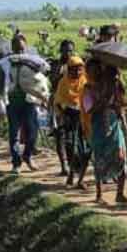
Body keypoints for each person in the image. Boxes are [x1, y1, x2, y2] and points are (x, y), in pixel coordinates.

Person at [83, 62, 127, 204]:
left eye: (96, 70)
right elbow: (89, 109)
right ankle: (99, 195)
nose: (94, 74)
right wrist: (102, 102)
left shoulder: (113, 87)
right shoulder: (89, 89)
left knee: (121, 156)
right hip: (98, 126)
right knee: (99, 158)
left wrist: (122, 117)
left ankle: (120, 194)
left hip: (114, 124)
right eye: (91, 71)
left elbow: (122, 104)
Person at [0, 34, 43, 174]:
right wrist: (1, 103)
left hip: (29, 100)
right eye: (17, 49)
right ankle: (16, 163)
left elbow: (40, 79)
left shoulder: (32, 62)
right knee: (14, 133)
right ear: (12, 48)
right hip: (13, 100)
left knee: (33, 132)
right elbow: (0, 85)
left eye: (22, 49)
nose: (20, 52)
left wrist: (41, 96)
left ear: (26, 48)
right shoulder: (4, 63)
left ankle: (27, 155)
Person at [54, 55, 90, 189]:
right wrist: (62, 116)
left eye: (79, 69)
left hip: (84, 118)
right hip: (70, 117)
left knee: (84, 149)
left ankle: (79, 178)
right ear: (68, 69)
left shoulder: (86, 82)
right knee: (71, 146)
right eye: (73, 70)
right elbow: (57, 102)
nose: (77, 72)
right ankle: (71, 173)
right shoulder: (63, 83)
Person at [49, 40, 76, 175]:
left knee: (72, 137)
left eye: (70, 50)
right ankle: (64, 165)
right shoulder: (56, 65)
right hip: (59, 103)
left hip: (73, 104)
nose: (68, 53)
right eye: (66, 50)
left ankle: (72, 165)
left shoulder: (76, 64)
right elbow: (53, 82)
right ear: (61, 51)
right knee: (60, 134)